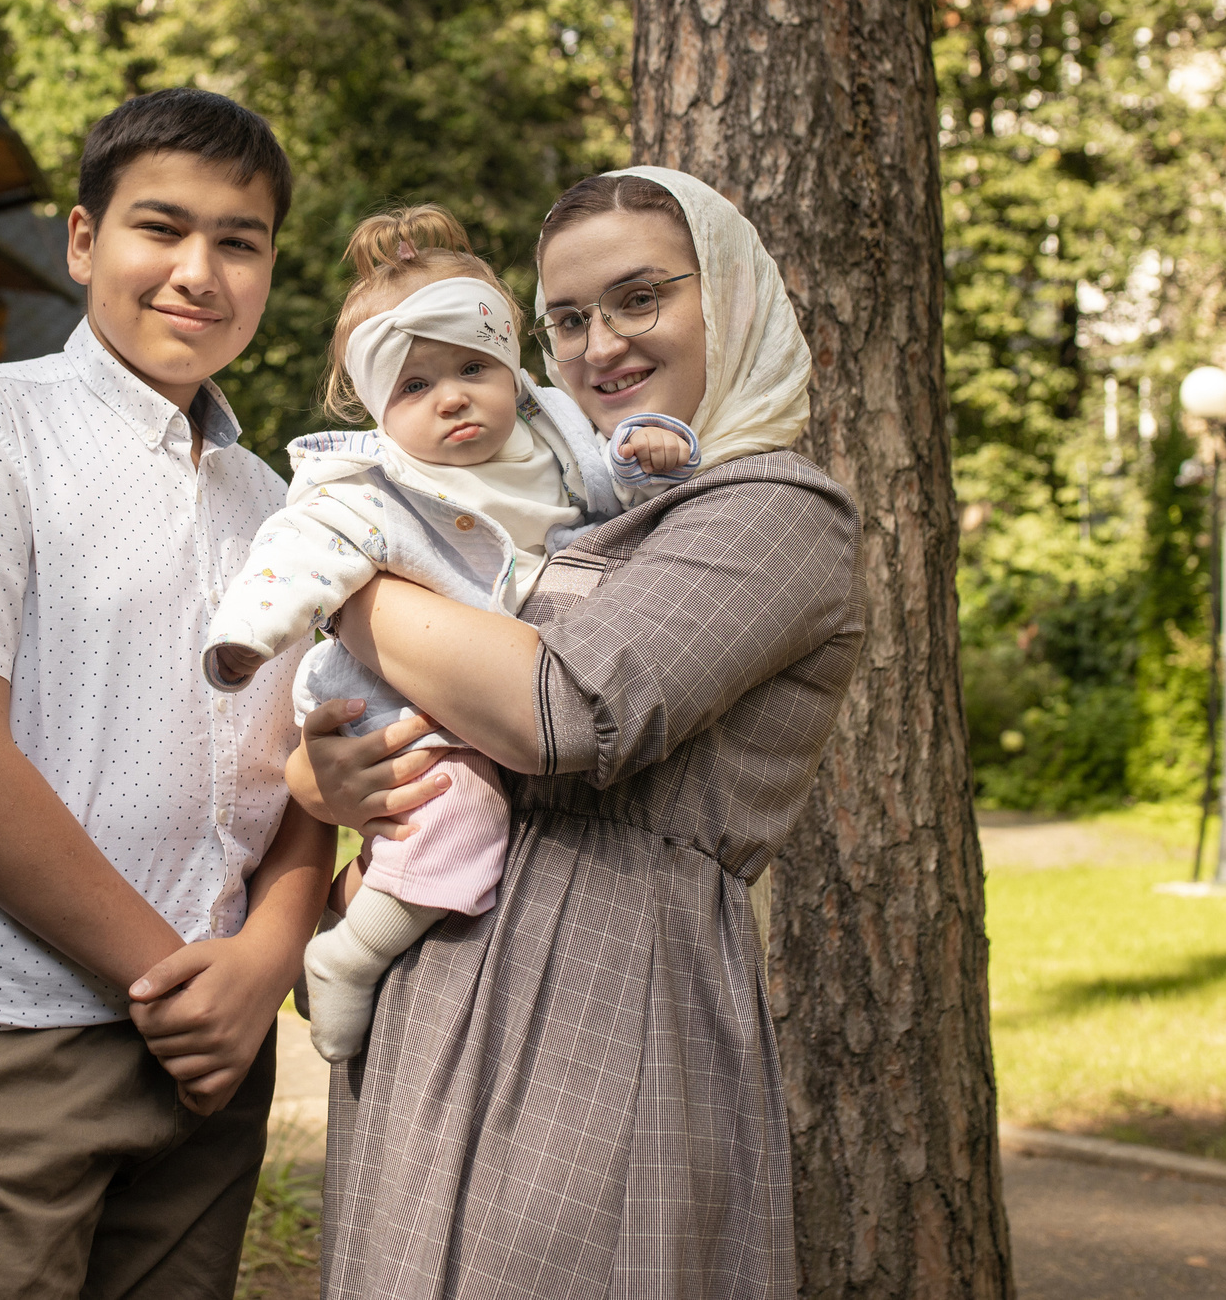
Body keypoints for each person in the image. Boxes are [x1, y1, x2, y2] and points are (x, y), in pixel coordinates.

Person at [290, 165, 865, 1299]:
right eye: (566, 319)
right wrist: (333, 789)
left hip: (606, 996)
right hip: (436, 983)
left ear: (728, 295)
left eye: (640, 298)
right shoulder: (554, 510)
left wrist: (343, 562)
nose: (601, 344)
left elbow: (564, 710)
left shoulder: (777, 509)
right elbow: (408, 720)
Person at [0, 88, 336, 1300]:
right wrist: (176, 982)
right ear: (81, 240)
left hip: (206, 1067)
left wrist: (262, 965)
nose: (198, 272)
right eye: (160, 227)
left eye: (239, 242)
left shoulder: (284, 514)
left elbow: (304, 768)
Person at [200, 205, 665, 1063]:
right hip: (403, 701)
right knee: (462, 810)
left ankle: (360, 912)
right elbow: (298, 550)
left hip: (516, 686)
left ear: (510, 366)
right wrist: (248, 634)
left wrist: (653, 452)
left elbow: (625, 481)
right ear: (380, 408)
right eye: (414, 386)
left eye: (471, 368)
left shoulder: (559, 436)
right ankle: (353, 952)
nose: (451, 397)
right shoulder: (374, 482)